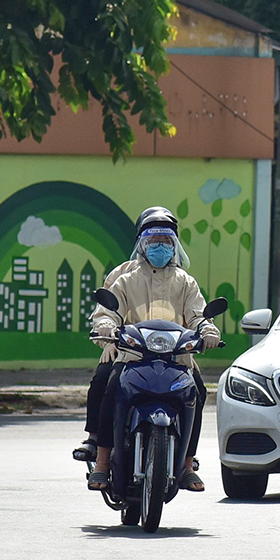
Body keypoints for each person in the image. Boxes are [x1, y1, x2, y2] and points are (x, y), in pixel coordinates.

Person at [83, 207, 221, 493]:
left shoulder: (185, 282)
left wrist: (207, 330)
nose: (161, 246)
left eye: (167, 240)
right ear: (142, 244)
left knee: (197, 391)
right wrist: (107, 327)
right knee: (109, 386)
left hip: (176, 357)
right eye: (154, 240)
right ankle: (102, 462)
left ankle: (186, 463)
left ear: (175, 245)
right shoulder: (125, 279)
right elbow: (108, 312)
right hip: (133, 355)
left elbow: (198, 315)